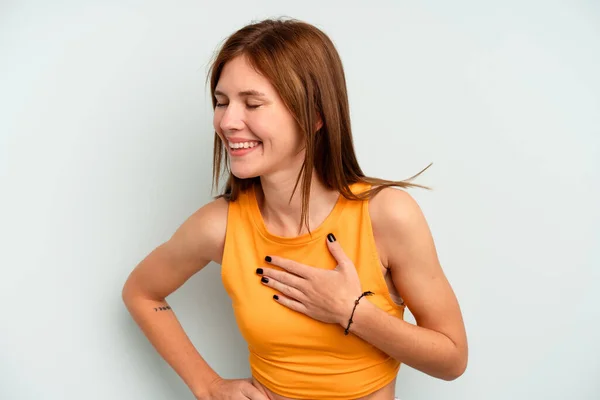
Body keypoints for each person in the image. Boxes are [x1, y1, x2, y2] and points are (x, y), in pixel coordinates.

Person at [122, 18, 468, 400]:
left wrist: (352, 311)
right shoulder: (219, 226)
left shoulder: (386, 216)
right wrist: (208, 385)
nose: (227, 121)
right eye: (221, 103)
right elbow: (141, 292)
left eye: (252, 103)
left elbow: (452, 359)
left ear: (314, 115)